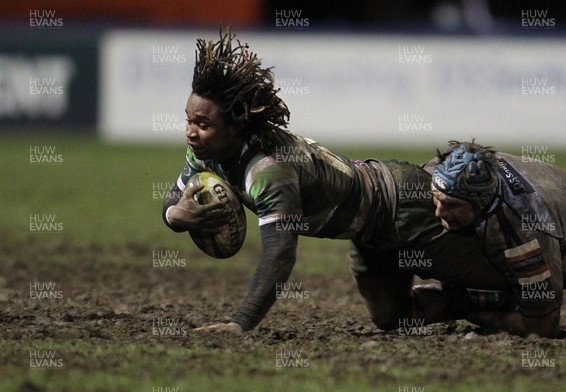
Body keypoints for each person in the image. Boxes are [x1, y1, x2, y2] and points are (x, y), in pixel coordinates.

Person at [161, 28, 510, 334]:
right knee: (392, 318)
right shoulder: (204, 152)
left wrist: (242, 322)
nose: (190, 131)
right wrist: (174, 215)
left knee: (507, 277)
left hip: (402, 204)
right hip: (369, 232)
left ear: (235, 126)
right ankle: (471, 301)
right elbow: (174, 198)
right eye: (188, 120)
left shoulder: (267, 170)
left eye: (202, 124)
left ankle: (532, 278)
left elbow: (280, 254)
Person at [428, 140, 566, 337]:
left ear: (480, 202)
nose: (439, 212)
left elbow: (542, 327)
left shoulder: (524, 232)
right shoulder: (443, 169)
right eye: (437, 198)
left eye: (452, 204)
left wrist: (467, 311)